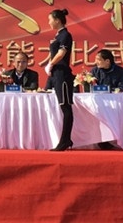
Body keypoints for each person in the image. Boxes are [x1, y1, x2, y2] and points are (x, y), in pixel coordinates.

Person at [44, 8, 74, 151]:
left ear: (57, 20)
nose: (49, 22)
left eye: (50, 20)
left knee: (66, 107)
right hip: (56, 75)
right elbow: (54, 53)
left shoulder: (65, 35)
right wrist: (50, 66)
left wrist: (51, 64)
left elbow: (61, 53)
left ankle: (65, 140)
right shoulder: (58, 36)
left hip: (63, 75)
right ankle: (65, 139)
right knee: (63, 107)